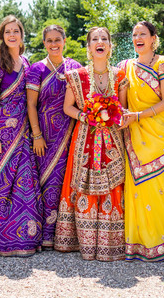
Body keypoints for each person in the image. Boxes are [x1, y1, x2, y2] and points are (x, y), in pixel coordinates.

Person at [54, 26, 127, 261]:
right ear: (89, 47)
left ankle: (111, 243)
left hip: (113, 140)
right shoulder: (77, 77)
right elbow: (68, 108)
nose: (100, 41)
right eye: (95, 39)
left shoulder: (120, 76)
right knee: (82, 184)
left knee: (114, 186)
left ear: (110, 46)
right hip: (85, 138)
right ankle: (82, 242)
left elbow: (124, 109)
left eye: (104, 38)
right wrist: (88, 116)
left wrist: (113, 115)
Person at [120, 21, 164, 262]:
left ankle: (162, 243)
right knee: (138, 191)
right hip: (135, 136)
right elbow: (122, 102)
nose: (138, 38)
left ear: (154, 38)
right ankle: (139, 244)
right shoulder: (126, 66)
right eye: (134, 35)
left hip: (158, 134)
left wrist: (138, 116)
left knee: (162, 189)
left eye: (143, 34)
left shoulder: (162, 62)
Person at [0, 15, 42, 256]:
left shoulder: (28, 63)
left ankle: (26, 240)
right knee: (3, 184)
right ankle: (3, 240)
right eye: (7, 31)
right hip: (3, 131)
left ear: (22, 36)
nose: (12, 35)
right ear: (2, 36)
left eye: (16, 31)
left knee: (25, 184)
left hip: (24, 132)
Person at [26, 25, 82, 248]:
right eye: (49, 40)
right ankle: (43, 234)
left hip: (69, 135)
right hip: (45, 137)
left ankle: (64, 235)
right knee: (45, 183)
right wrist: (36, 135)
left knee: (64, 183)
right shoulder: (37, 69)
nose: (53, 44)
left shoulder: (75, 67)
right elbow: (31, 104)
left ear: (65, 41)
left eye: (57, 39)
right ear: (44, 44)